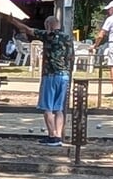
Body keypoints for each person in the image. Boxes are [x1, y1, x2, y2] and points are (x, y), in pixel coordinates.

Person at [8, 14, 74, 146]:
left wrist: (13, 21)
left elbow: (27, 29)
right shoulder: (67, 37)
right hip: (64, 75)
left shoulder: (47, 36)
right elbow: (71, 57)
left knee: (47, 108)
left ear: (48, 25)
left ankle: (52, 136)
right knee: (59, 109)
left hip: (50, 74)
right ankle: (59, 136)